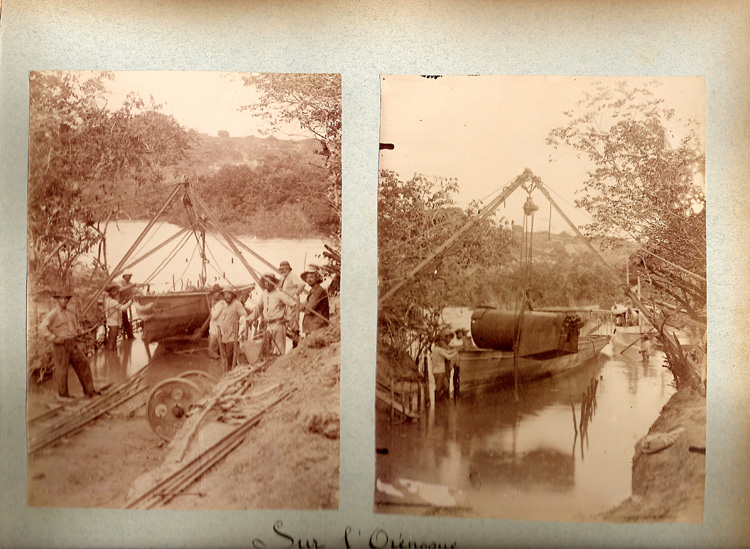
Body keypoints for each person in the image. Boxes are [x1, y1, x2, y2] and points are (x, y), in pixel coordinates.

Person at [38, 288, 98, 399]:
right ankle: (64, 396)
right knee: (62, 371)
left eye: (66, 299)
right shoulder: (53, 314)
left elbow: (75, 327)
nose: (64, 301)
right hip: (60, 345)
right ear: (57, 300)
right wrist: (54, 338)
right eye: (62, 298)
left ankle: (89, 391)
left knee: (84, 363)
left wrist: (80, 331)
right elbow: (42, 328)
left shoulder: (69, 313)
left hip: (72, 343)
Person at [249, 273, 298, 356]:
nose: (267, 283)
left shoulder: (280, 294)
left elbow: (294, 305)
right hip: (268, 326)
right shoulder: (264, 294)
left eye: (269, 281)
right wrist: (249, 319)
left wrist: (288, 318)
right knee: (268, 350)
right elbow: (258, 309)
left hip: (278, 325)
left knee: (279, 351)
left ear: (273, 283)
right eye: (265, 282)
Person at [216, 287, 248, 372]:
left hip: (232, 337)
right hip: (224, 337)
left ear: (232, 295)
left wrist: (242, 323)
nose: (227, 296)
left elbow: (244, 314)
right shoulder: (224, 306)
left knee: (230, 357)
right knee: (225, 357)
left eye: (229, 294)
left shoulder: (237, 304)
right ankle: (229, 373)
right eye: (225, 294)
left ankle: (233, 373)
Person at [278, 260, 305, 346]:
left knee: (294, 324)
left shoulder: (292, 276)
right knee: (286, 323)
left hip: (293, 303)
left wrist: (296, 293)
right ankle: (298, 341)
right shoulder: (283, 278)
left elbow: (301, 284)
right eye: (281, 269)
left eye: (284, 269)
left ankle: (296, 345)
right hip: (286, 304)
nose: (282, 271)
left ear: (288, 269)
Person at [431, 329, 459, 401]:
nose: (443, 342)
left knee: (446, 386)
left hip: (441, 371)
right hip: (438, 372)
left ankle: (440, 400)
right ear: (438, 342)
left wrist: (455, 350)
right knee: (438, 388)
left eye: (443, 341)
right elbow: (448, 356)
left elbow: (447, 351)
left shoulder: (437, 349)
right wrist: (455, 353)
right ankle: (437, 403)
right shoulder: (438, 350)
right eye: (441, 341)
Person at [300, 267, 329, 335]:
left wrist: (303, 307)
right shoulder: (313, 290)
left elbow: (309, 309)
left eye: (311, 277)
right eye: (307, 278)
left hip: (318, 327)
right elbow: (300, 306)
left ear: (317, 278)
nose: (308, 279)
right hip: (311, 326)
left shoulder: (319, 291)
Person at [103, 284, 132, 351]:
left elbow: (118, 305)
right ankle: (111, 354)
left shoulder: (108, 300)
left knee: (112, 339)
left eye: (116, 291)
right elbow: (123, 308)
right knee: (112, 341)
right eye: (114, 292)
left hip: (110, 322)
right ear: (111, 293)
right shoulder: (113, 302)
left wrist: (125, 301)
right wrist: (131, 301)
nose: (117, 293)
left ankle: (112, 356)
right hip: (113, 324)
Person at [207, 284, 225, 359]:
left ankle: (217, 365)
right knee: (215, 348)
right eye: (214, 293)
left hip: (217, 330)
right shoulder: (219, 303)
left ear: (220, 293)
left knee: (211, 349)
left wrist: (212, 307)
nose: (214, 295)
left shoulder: (221, 303)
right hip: (215, 329)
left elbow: (214, 316)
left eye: (216, 293)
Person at [119, 273, 136, 339]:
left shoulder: (130, 283)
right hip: (118, 303)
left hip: (125, 303)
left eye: (130, 276)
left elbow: (133, 292)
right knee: (122, 319)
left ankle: (129, 335)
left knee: (125, 318)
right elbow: (120, 289)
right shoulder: (120, 282)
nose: (129, 277)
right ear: (124, 276)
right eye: (128, 276)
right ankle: (129, 335)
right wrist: (131, 286)